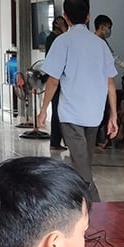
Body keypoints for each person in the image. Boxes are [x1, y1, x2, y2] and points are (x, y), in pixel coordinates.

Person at [38, 0, 118, 203]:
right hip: (94, 114)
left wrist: (43, 108)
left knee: (82, 169)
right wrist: (114, 116)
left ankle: (95, 207)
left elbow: (53, 81)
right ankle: (79, 205)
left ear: (65, 16)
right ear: (88, 16)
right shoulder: (101, 45)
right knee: (82, 163)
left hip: (71, 114)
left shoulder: (62, 42)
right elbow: (110, 83)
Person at [93, 14, 124, 149]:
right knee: (103, 113)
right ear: (101, 27)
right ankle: (100, 141)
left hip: (97, 85)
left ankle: (98, 141)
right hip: (100, 84)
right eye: (108, 28)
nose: (109, 31)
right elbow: (113, 57)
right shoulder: (99, 42)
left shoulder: (99, 41)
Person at [45, 16, 68, 151]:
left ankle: (60, 140)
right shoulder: (55, 39)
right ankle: (55, 141)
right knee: (57, 110)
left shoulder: (59, 38)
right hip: (58, 79)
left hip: (62, 80)